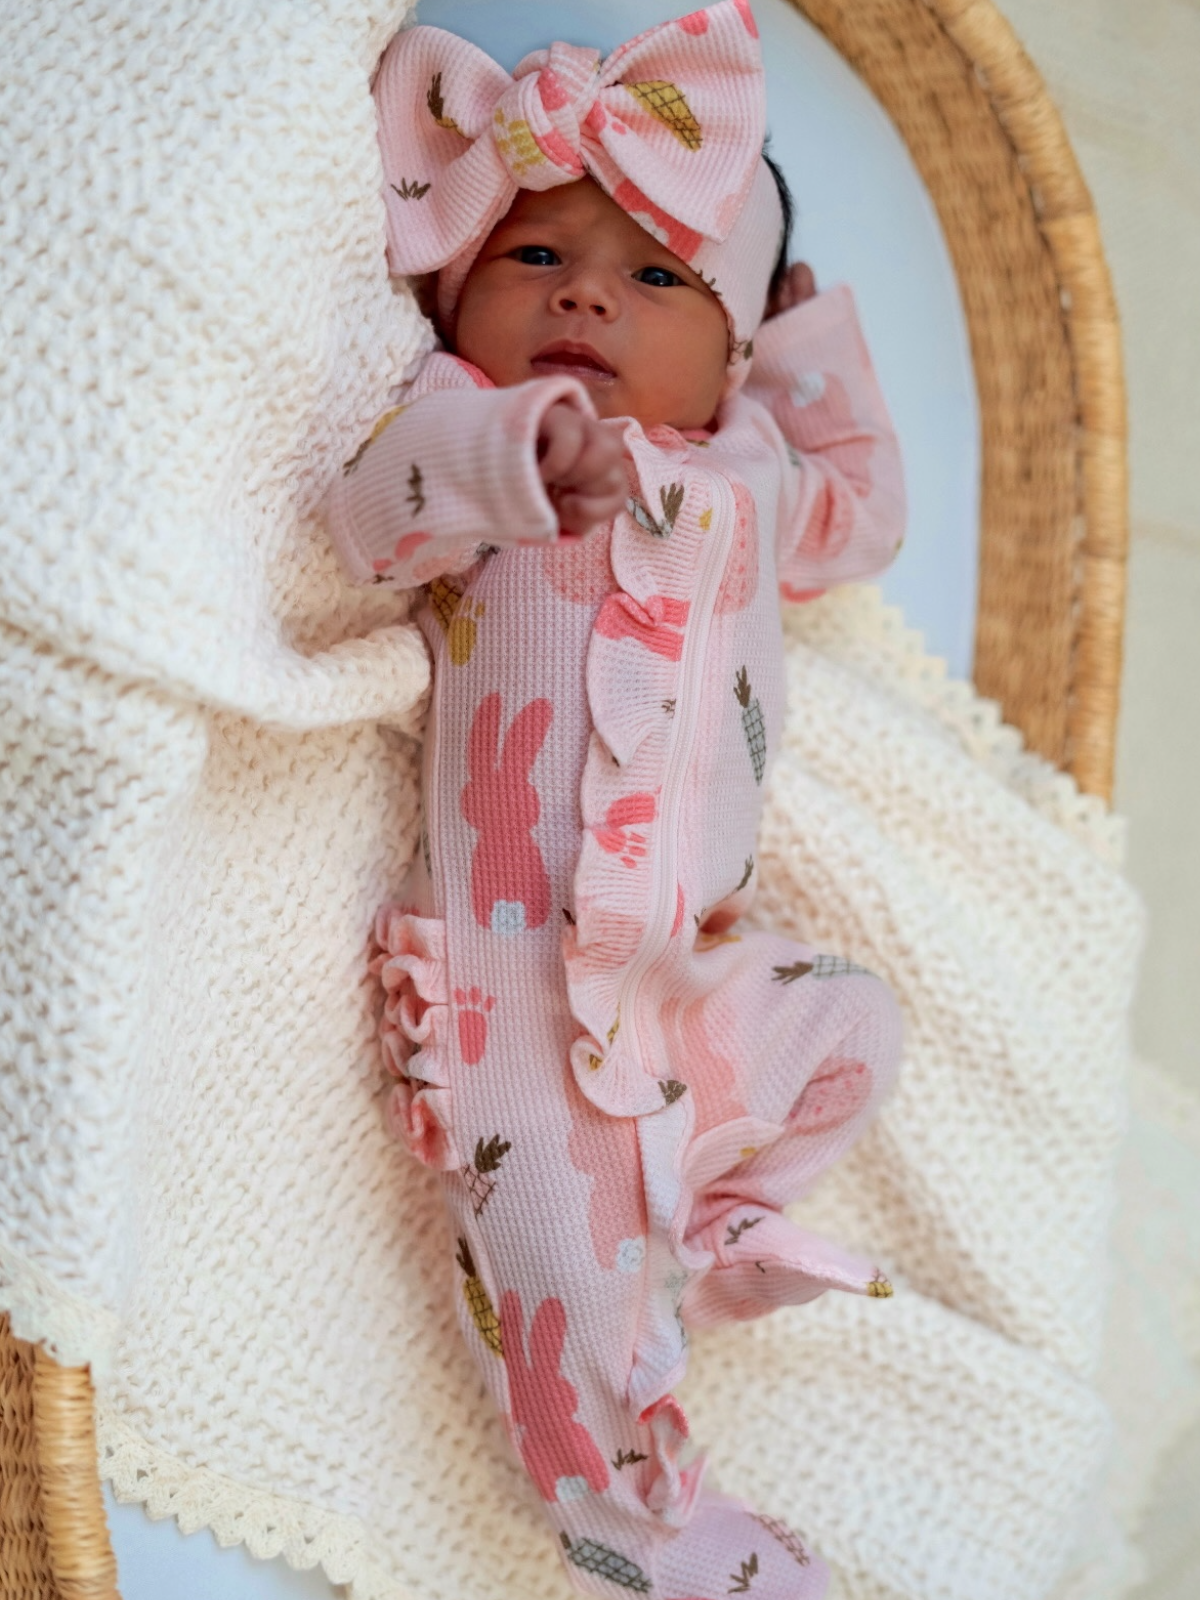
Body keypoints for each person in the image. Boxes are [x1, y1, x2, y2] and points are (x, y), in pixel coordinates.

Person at [325, 4, 906, 1594]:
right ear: (456, 295)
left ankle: (714, 1224)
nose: (586, 291)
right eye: (533, 259)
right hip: (513, 979)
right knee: (558, 1271)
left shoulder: (752, 472)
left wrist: (799, 336)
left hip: (692, 971)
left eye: (659, 277)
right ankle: (644, 1525)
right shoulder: (469, 430)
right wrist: (515, 455)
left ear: (726, 353)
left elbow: (870, 516)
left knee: (854, 1029)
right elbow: (370, 513)